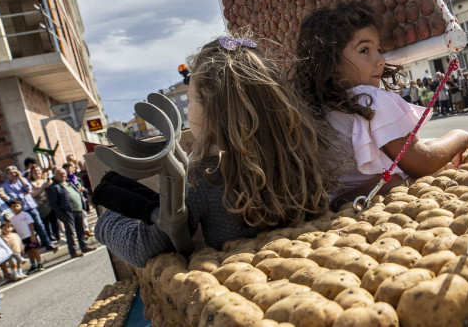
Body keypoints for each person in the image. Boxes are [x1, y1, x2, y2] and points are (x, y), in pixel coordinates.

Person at [93, 35, 341, 268]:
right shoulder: (303, 156)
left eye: (190, 100)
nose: (188, 111)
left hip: (242, 282)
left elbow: (142, 247)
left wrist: (107, 222)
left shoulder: (205, 177)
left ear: (212, 112)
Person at [292, 2, 468, 208]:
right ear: (331, 60)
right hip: (379, 204)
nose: (380, 60)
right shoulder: (371, 99)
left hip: (336, 210)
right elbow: (423, 162)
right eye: (365, 50)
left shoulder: (314, 106)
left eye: (378, 49)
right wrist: (462, 137)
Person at [1, 166, 56, 253]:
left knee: (40, 225)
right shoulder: (5, 186)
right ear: (7, 175)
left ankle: (47, 243)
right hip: (21, 209)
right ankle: (33, 246)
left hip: (31, 206)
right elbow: (14, 197)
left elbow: (28, 188)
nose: (14, 174)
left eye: (15, 172)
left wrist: (20, 178)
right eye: (11, 173)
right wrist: (23, 193)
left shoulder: (22, 179)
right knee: (27, 229)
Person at [46, 167, 95, 258]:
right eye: (60, 174)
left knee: (81, 230)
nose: (63, 175)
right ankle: (73, 251)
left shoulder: (69, 182)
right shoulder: (53, 187)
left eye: (64, 173)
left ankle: (84, 246)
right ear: (55, 175)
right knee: (70, 232)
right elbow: (53, 203)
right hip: (67, 212)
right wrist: (61, 213)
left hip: (78, 209)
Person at [7, 200, 43, 273]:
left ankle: (39, 263)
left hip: (30, 235)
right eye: (14, 207)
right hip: (22, 238)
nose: (16, 208)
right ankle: (33, 265)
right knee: (29, 251)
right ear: (11, 208)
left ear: (21, 206)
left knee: (35, 250)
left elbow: (31, 225)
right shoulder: (12, 219)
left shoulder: (25, 214)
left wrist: (32, 235)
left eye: (17, 206)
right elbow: (14, 230)